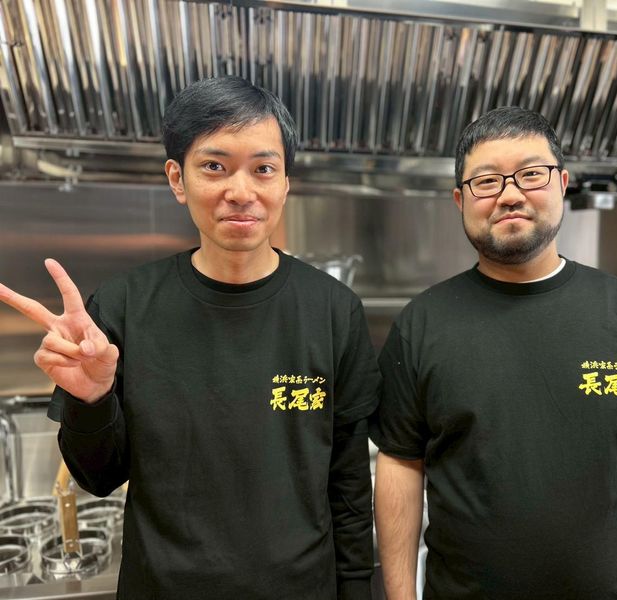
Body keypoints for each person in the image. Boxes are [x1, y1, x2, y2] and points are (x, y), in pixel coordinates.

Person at [0, 76, 379, 599]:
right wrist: (92, 399)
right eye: (214, 167)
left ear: (285, 182)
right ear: (177, 179)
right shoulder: (122, 306)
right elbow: (98, 478)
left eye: (263, 169)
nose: (241, 192)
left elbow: (350, 486)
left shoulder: (335, 310)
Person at [369, 106, 617, 599]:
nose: (510, 194)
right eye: (486, 181)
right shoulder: (422, 323)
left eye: (530, 174)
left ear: (562, 183)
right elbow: (400, 464)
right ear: (460, 200)